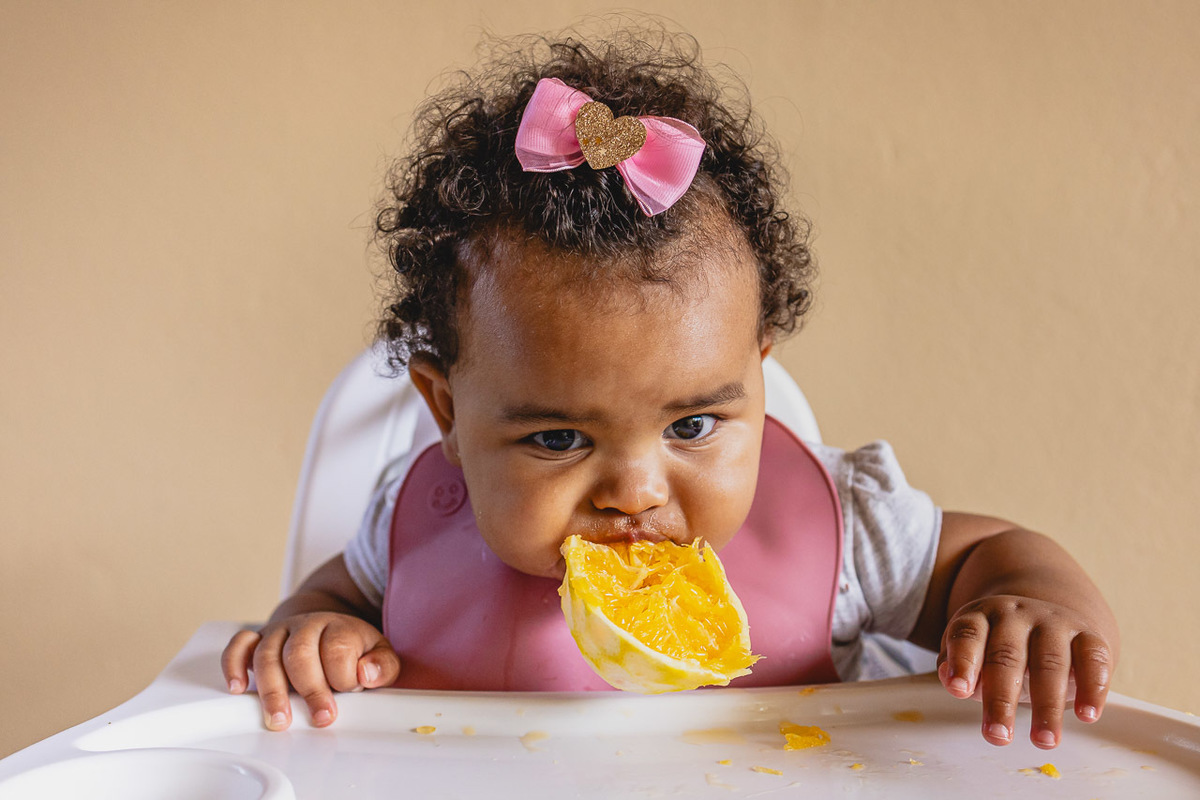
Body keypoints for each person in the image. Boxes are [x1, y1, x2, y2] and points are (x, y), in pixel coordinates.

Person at [221, 25, 1118, 750]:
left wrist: (1029, 603)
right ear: (448, 413)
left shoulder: (838, 532)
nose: (634, 492)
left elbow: (986, 552)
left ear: (757, 383)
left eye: (693, 424)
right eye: (560, 439)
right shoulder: (416, 524)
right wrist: (313, 628)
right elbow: (333, 597)